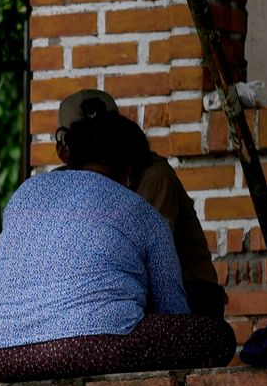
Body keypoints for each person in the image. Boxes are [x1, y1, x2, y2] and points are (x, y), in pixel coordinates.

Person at [0, 108, 237, 381]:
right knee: (217, 336)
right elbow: (172, 310)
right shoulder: (141, 211)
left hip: (3, 353)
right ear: (132, 170)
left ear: (70, 158)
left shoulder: (25, 194)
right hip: (92, 346)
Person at [57, 85, 226, 325]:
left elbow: (151, 265)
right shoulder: (63, 183)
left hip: (189, 295)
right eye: (85, 139)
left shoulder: (152, 175)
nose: (98, 144)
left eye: (104, 134)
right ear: (63, 150)